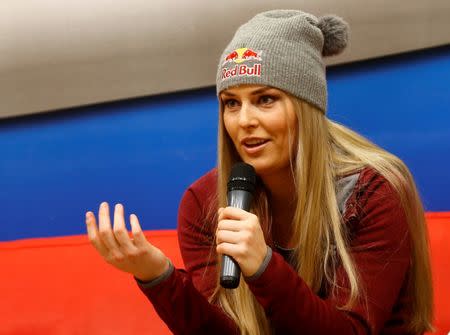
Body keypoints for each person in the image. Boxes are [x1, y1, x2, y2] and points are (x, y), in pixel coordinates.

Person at [85, 9, 434, 335]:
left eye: (265, 99)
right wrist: (156, 275)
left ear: (306, 106)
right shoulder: (204, 202)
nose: (245, 121)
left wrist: (264, 266)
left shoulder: (372, 191)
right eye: (231, 103)